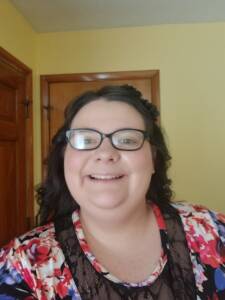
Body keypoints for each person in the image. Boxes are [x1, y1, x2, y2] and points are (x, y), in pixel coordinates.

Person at [0, 85, 224, 300]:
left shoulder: (214, 233)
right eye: (85, 139)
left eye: (127, 139)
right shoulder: (22, 265)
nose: (105, 153)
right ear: (64, 157)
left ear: (153, 158)